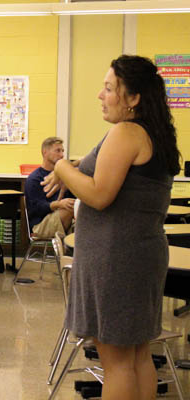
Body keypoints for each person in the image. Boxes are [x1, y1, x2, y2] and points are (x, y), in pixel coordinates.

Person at [43, 55, 181, 400]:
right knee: (136, 354)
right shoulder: (151, 133)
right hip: (137, 255)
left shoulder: (126, 131)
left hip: (115, 260)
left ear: (133, 98)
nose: (100, 95)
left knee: (116, 360)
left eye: (108, 88)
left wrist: (61, 165)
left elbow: (100, 194)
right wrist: (76, 167)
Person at [24, 137, 75, 239]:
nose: (62, 155)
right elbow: (36, 208)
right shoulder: (34, 178)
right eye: (58, 151)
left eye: (62, 151)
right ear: (45, 152)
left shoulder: (63, 176)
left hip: (62, 216)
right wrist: (58, 204)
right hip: (40, 225)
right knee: (69, 209)